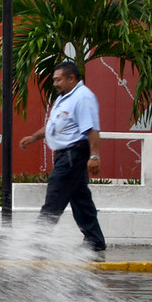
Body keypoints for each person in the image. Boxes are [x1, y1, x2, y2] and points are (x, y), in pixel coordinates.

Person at [19, 61, 107, 259]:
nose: (55, 83)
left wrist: (94, 157)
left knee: (54, 198)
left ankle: (37, 243)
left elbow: (92, 130)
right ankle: (95, 241)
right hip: (66, 155)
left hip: (73, 155)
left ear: (71, 78)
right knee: (81, 201)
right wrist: (34, 137)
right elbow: (54, 125)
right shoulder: (65, 98)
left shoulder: (83, 97)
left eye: (58, 79)